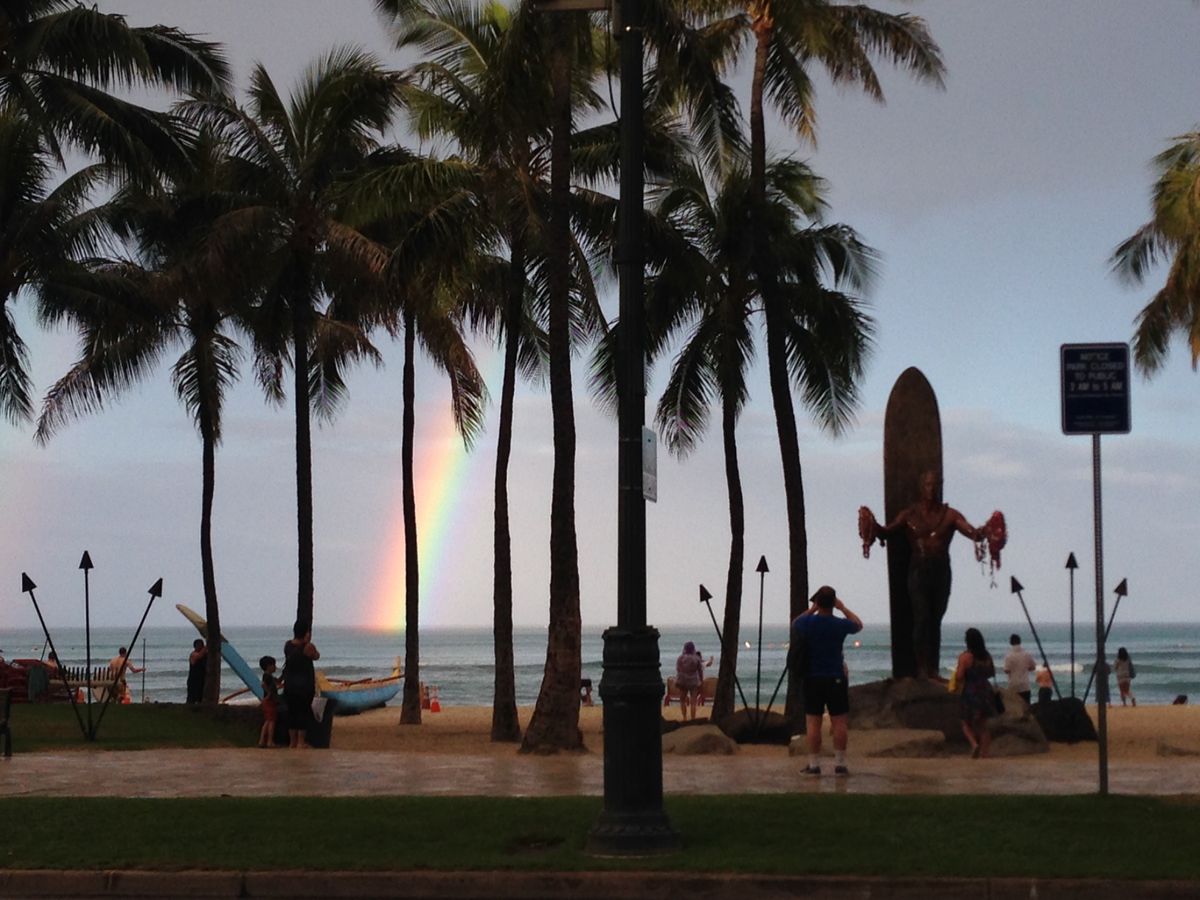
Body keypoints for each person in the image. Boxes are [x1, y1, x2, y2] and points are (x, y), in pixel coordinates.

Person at [874, 471, 985, 679]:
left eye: (934, 485)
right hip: (918, 570)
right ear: (921, 487)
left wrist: (982, 532)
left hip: (941, 571)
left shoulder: (950, 515)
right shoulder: (909, 515)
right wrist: (874, 528)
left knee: (935, 620)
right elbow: (888, 532)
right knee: (922, 617)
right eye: (927, 485)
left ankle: (931, 668)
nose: (931, 489)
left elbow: (970, 531)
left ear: (939, 487)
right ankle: (922, 668)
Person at [791, 585, 863, 776]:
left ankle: (814, 765)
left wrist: (812, 609)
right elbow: (858, 624)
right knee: (839, 722)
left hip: (813, 678)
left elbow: (795, 622)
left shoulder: (808, 623)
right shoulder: (839, 624)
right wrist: (843, 608)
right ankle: (840, 764)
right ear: (833, 602)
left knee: (813, 723)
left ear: (817, 602)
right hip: (836, 677)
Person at [955, 628, 997, 758]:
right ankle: (985, 754)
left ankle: (974, 744)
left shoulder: (965, 657)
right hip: (985, 690)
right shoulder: (987, 656)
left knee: (965, 722)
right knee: (983, 725)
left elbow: (959, 676)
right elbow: (992, 673)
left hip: (970, 691)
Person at [282, 620, 320, 749]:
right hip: (304, 685)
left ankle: (292, 742)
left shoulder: (287, 645)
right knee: (303, 712)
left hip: (290, 684)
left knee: (292, 713)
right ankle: (301, 742)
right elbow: (316, 656)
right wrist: (309, 643)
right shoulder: (307, 646)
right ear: (306, 632)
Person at [674, 641, 706, 721]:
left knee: (682, 700)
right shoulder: (696, 658)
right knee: (693, 702)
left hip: (682, 681)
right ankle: (693, 719)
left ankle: (684, 718)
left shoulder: (680, 658)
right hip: (693, 682)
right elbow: (700, 671)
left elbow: (678, 669)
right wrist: (701, 681)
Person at [1003, 634, 1036, 705]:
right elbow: (1033, 667)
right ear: (1020, 642)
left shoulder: (1009, 656)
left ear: (1011, 642)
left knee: (1015, 708)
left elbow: (1006, 670)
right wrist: (1025, 668)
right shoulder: (1027, 654)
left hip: (1013, 685)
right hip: (1025, 685)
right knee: (1026, 707)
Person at [259, 655, 279, 747]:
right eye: (273, 665)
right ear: (268, 666)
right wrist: (269, 694)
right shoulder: (267, 676)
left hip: (267, 700)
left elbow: (278, 681)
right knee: (271, 721)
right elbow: (263, 685)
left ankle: (262, 741)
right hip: (269, 700)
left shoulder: (268, 676)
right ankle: (269, 741)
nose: (275, 667)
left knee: (267, 721)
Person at [186, 639, 207, 704]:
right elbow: (198, 657)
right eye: (198, 645)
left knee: (200, 696)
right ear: (195, 646)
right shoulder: (193, 654)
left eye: (201, 645)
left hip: (202, 679)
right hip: (193, 679)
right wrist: (207, 645)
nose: (200, 647)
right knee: (192, 697)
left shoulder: (205, 654)